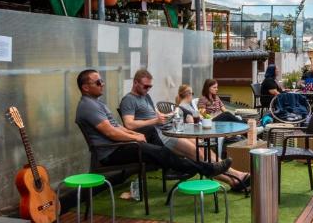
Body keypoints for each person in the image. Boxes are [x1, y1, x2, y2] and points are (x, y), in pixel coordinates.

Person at [74, 69, 229, 182]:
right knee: (164, 152)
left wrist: (136, 136)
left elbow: (116, 127)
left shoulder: (97, 103)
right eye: (98, 82)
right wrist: (136, 137)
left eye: (102, 80)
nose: (103, 84)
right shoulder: (88, 106)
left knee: (169, 149)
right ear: (85, 87)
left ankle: (194, 168)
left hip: (124, 144)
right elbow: (112, 133)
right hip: (110, 153)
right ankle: (203, 169)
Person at [120, 69, 250, 190]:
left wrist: (164, 116)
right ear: (135, 82)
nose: (148, 89)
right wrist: (155, 120)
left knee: (202, 148)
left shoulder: (145, 97)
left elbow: (155, 114)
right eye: (145, 86)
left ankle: (236, 175)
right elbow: (129, 124)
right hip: (158, 137)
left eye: (150, 86)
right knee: (197, 154)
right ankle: (233, 180)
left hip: (167, 129)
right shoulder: (129, 100)